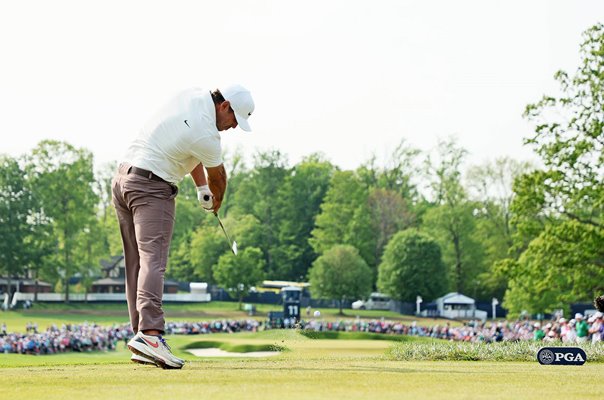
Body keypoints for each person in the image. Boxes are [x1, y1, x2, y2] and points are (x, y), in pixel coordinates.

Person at [111, 84, 255, 369]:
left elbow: (186, 148)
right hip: (152, 188)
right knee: (154, 261)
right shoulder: (208, 135)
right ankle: (151, 336)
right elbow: (220, 178)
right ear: (224, 106)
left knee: (136, 264)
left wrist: (200, 186)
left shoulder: (192, 96)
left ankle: (141, 338)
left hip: (123, 180)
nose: (234, 127)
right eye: (235, 120)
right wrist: (215, 200)